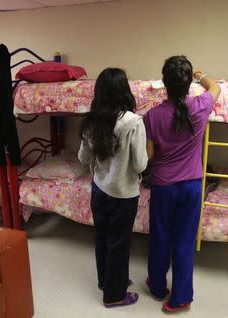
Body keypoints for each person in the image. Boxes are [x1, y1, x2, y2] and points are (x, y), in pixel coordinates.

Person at [144, 56, 221, 313]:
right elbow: (215, 87)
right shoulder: (200, 106)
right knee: (184, 241)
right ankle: (180, 298)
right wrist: (200, 76)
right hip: (191, 187)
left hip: (163, 186)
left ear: (165, 83)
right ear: (188, 83)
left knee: (160, 237)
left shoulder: (152, 116)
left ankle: (156, 285)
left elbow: (150, 156)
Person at [78, 68, 148, 308]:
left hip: (99, 189)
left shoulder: (91, 121)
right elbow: (140, 164)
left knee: (102, 237)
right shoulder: (132, 122)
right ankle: (114, 295)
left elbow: (82, 157)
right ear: (124, 91)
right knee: (119, 242)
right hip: (123, 193)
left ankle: (106, 281)